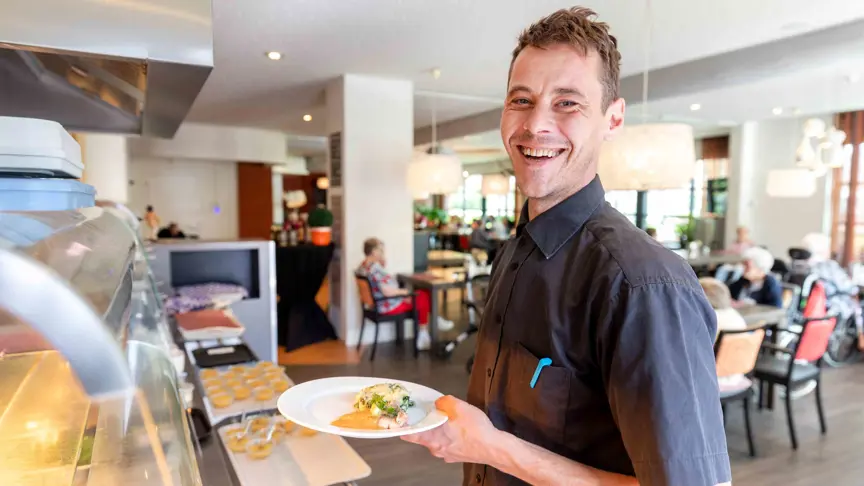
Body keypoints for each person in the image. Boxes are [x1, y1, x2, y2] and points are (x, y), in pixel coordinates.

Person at [403, 8, 731, 486]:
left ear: (612, 119)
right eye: (521, 100)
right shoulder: (515, 250)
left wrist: (491, 447)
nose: (535, 124)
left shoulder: (643, 285)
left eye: (567, 103)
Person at [356, 238, 454, 350]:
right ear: (374, 252)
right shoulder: (375, 269)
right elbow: (386, 291)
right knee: (422, 296)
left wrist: (382, 263)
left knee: (423, 293)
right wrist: (404, 293)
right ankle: (426, 331)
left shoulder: (363, 267)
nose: (383, 252)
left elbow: (379, 286)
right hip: (388, 305)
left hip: (378, 304)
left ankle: (434, 321)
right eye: (381, 250)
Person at [801, 233, 862, 346]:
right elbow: (847, 287)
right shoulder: (828, 266)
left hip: (804, 306)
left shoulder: (798, 265)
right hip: (826, 306)